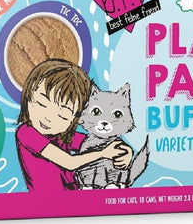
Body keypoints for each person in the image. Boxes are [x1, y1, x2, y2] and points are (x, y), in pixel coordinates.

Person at [15, 59, 132, 193]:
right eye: (41, 104)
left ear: (75, 119)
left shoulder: (62, 135)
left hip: (74, 194)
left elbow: (96, 142)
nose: (48, 118)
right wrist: (103, 153)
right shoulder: (26, 133)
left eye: (62, 116)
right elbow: (69, 162)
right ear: (28, 96)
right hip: (47, 199)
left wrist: (125, 151)